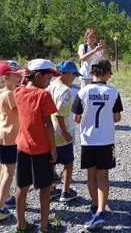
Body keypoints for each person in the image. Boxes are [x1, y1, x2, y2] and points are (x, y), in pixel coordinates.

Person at [71, 58, 123, 231]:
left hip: (88, 140)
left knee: (90, 175)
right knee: (103, 176)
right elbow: (117, 118)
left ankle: (94, 205)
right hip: (106, 140)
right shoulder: (113, 92)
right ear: (108, 74)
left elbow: (76, 118)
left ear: (91, 73)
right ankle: (101, 210)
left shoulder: (83, 92)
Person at [14, 59, 60, 233]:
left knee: (22, 187)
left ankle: (21, 225)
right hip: (41, 149)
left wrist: (28, 78)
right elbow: (48, 124)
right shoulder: (44, 95)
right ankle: (44, 227)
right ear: (39, 75)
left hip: (22, 147)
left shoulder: (18, 92)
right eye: (48, 77)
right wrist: (53, 149)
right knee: (45, 188)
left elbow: (25, 84)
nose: (50, 82)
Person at [47, 61, 82, 202]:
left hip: (49, 131)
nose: (74, 78)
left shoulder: (49, 87)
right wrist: (65, 133)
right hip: (62, 131)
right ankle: (65, 192)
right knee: (68, 162)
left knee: (52, 160)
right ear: (67, 73)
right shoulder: (65, 91)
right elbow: (60, 114)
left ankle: (50, 190)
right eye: (73, 75)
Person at [0, 61, 24, 221]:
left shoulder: (2, 92)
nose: (19, 78)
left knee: (4, 168)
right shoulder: (9, 94)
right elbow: (22, 108)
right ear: (6, 77)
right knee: (9, 171)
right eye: (15, 76)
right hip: (10, 137)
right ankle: (0, 206)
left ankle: (6, 197)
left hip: (4, 134)